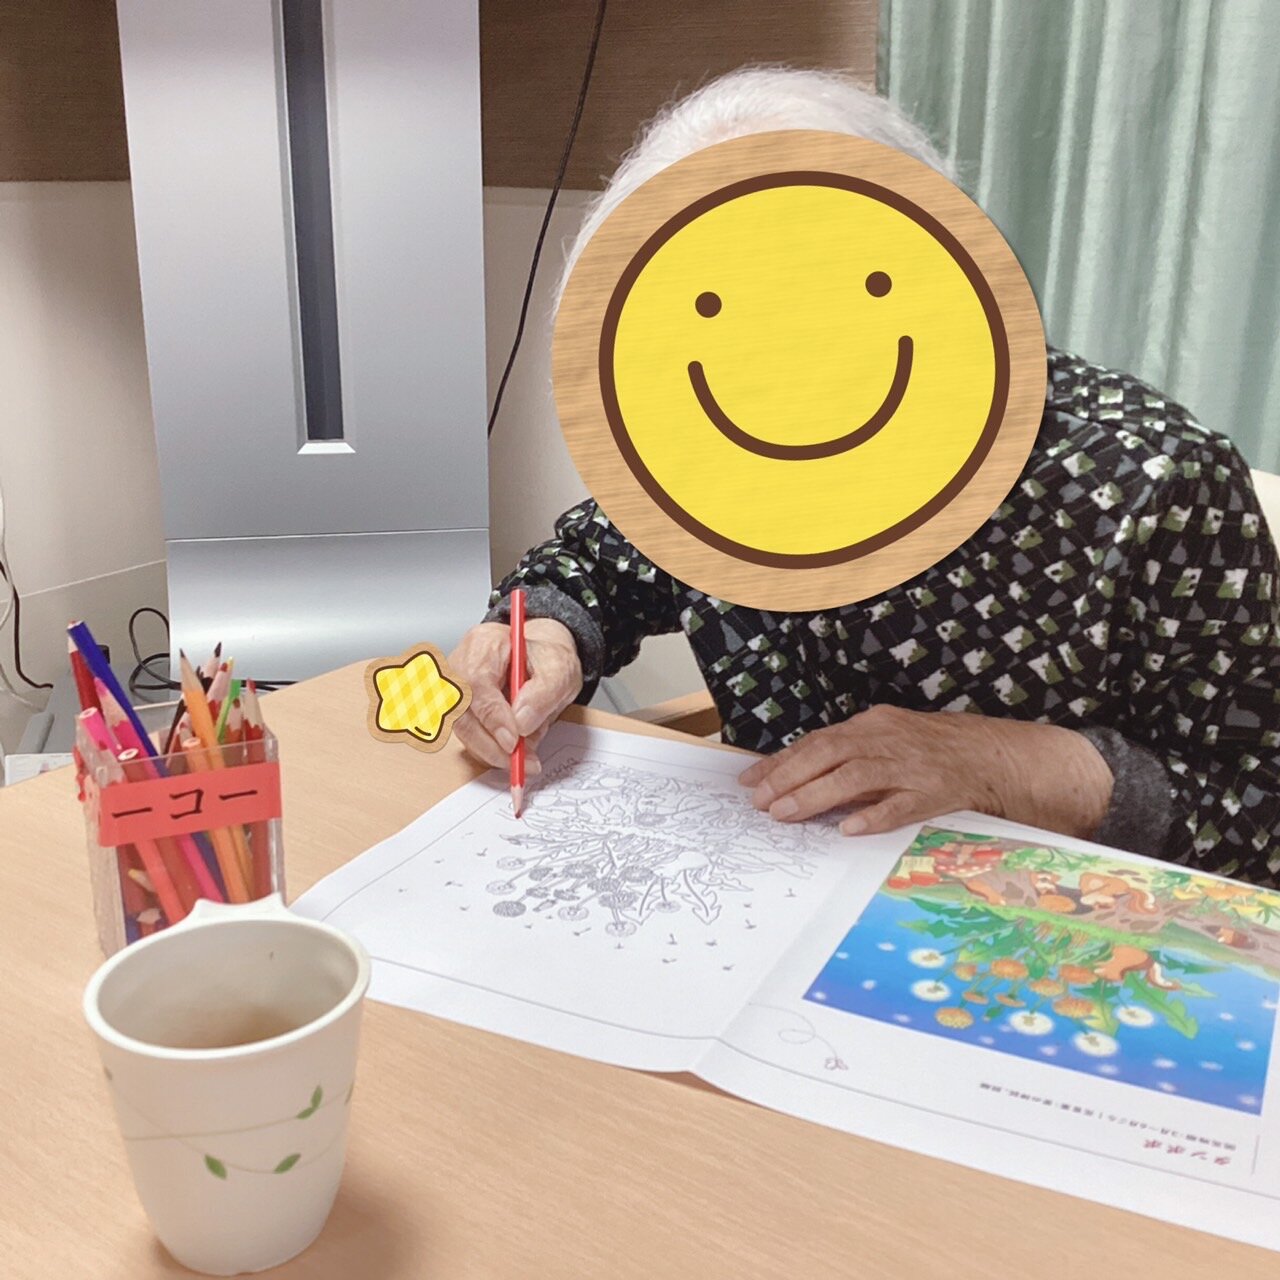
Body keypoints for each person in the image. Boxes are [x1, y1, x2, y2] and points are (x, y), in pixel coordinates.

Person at [451, 67, 1280, 886]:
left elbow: (1256, 810)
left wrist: (1003, 765)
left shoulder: (1156, 481)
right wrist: (544, 636)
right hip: (773, 897)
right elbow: (593, 565)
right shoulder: (704, 460)